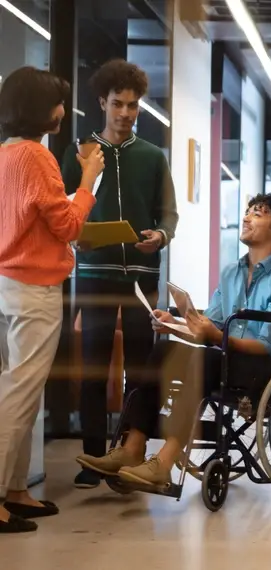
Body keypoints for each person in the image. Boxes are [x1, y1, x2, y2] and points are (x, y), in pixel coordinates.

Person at [75, 193, 271, 487]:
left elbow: (267, 345)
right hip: (228, 359)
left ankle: (164, 463)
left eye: (258, 213)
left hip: (267, 369)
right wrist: (176, 324)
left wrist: (215, 336)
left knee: (203, 360)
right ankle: (133, 448)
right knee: (163, 351)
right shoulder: (233, 272)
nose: (246, 217)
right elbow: (213, 323)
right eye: (247, 211)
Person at [61, 59, 179, 489]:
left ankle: (127, 456)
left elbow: (169, 212)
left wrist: (161, 236)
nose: (126, 113)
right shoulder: (79, 152)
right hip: (93, 272)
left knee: (139, 371)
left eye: (133, 105)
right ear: (102, 103)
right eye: (118, 104)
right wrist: (74, 237)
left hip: (140, 276)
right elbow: (61, 208)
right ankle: (93, 456)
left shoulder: (152, 156)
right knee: (93, 367)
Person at [0, 67, 104, 533]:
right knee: (19, 395)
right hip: (36, 289)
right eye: (58, 103)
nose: (64, 111)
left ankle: (16, 490)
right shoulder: (37, 156)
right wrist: (88, 180)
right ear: (41, 110)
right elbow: (67, 226)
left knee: (16, 387)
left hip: (7, 283)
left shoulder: (4, 154)